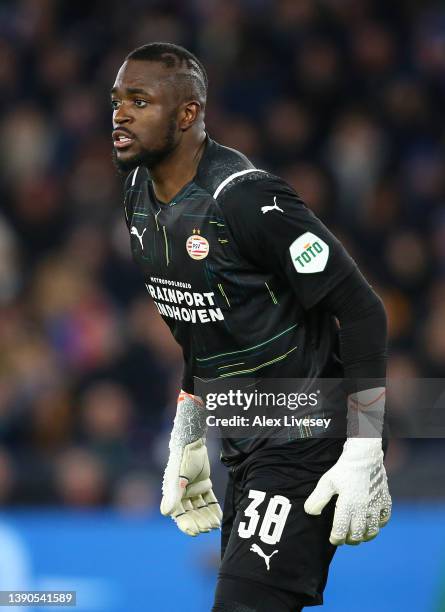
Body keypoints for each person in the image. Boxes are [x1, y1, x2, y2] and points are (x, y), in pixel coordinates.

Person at [111, 42, 391, 611]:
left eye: (139, 101)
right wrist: (188, 427)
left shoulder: (245, 198)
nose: (119, 114)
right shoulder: (138, 196)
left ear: (187, 114)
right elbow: (201, 319)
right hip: (244, 434)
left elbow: (362, 309)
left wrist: (365, 447)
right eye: (116, 100)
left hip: (306, 434)